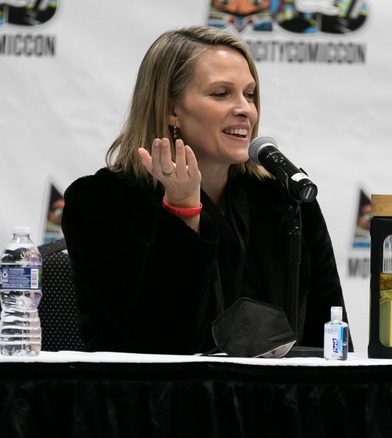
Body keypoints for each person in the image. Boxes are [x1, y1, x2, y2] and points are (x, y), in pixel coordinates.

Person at [61, 25, 348, 354]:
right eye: (221, 93)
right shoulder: (101, 201)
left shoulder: (282, 197)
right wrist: (182, 209)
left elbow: (331, 339)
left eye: (249, 94)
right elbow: (158, 341)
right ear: (171, 109)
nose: (245, 110)